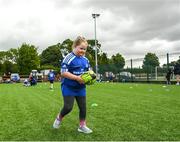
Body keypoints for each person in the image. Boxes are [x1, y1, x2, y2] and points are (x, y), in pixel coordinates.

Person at [53, 36, 93, 134]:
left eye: (85, 49)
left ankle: (82, 126)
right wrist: (77, 78)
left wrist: (91, 77)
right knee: (68, 107)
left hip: (80, 88)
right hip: (68, 87)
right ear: (74, 47)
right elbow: (63, 73)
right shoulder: (68, 58)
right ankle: (59, 117)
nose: (83, 51)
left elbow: (89, 71)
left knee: (83, 107)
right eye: (81, 48)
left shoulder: (85, 60)